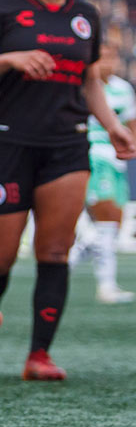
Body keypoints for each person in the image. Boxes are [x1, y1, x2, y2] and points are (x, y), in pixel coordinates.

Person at [0, 0, 136, 381]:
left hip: (66, 145)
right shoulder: (3, 6)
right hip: (7, 140)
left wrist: (114, 126)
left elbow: (90, 79)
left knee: (55, 251)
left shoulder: (86, 16)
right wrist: (11, 60)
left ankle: (39, 356)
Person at [69, 42, 136, 304]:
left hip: (116, 162)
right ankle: (106, 286)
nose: (107, 62)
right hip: (92, 157)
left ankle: (67, 265)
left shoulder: (123, 89)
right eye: (102, 57)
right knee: (106, 222)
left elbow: (131, 123)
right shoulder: (85, 87)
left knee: (111, 225)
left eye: (112, 56)